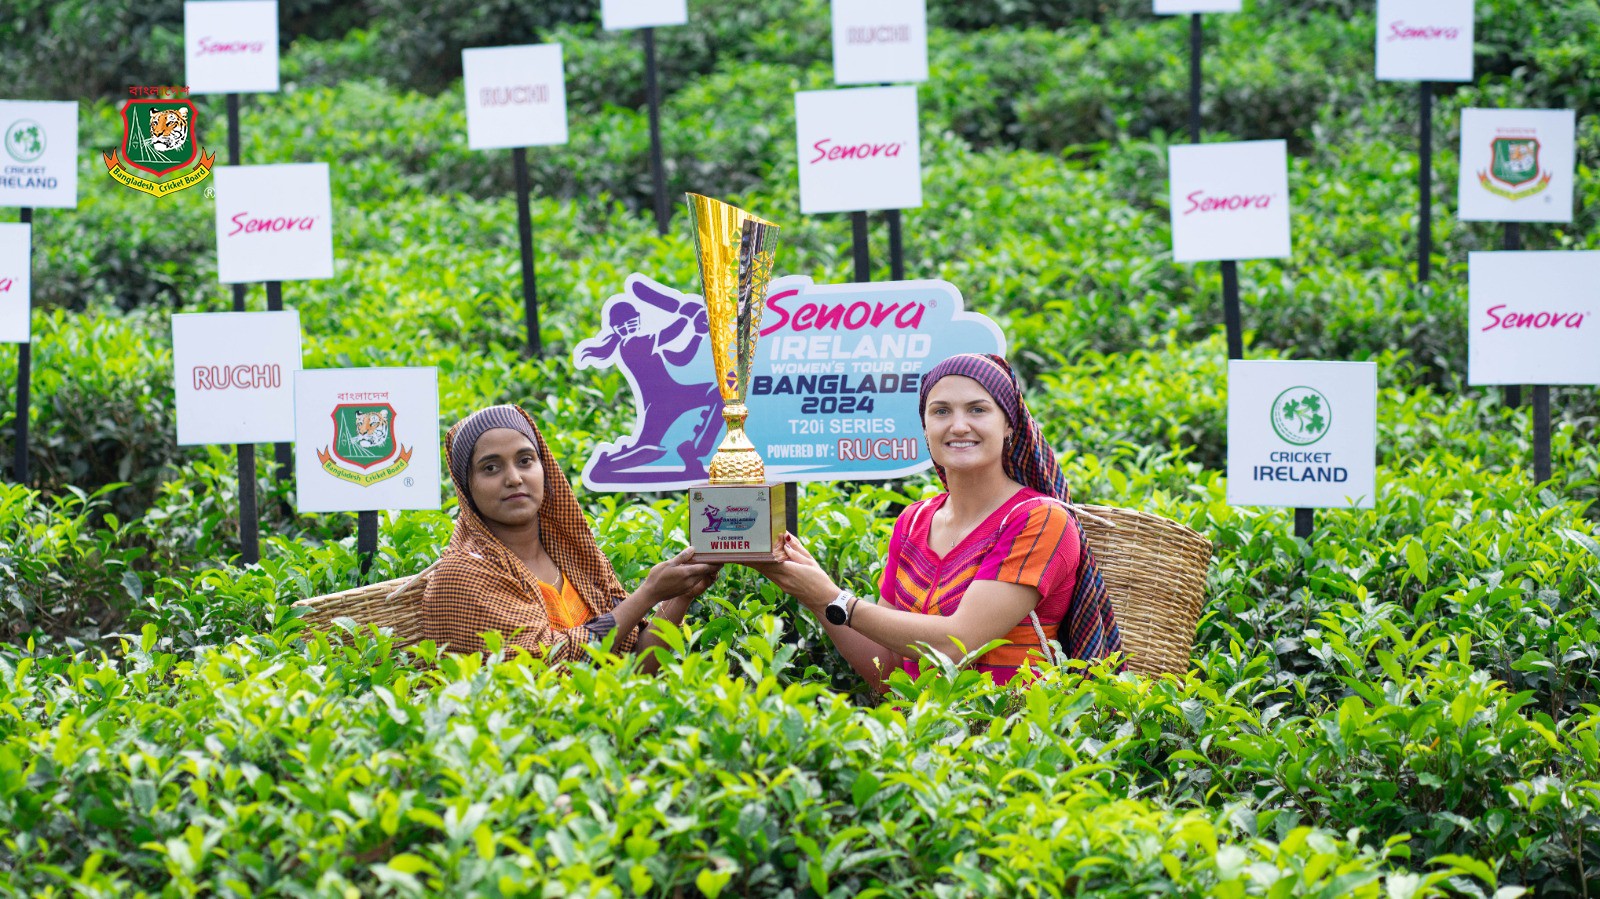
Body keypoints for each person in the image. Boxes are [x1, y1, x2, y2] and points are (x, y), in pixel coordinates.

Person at [753, 354, 1123, 688]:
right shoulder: (913, 521)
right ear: (925, 427)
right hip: (916, 741)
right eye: (941, 411)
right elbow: (888, 670)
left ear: (1010, 424)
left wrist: (837, 599)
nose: (958, 425)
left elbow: (957, 643)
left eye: (977, 410)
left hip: (1009, 744)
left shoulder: (1040, 520)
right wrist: (815, 595)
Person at [421, 404, 720, 664]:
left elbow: (636, 663)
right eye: (490, 468)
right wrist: (647, 594)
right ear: (467, 487)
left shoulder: (575, 555)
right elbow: (544, 665)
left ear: (543, 468)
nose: (514, 478)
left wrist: (680, 597)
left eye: (525, 461)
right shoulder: (463, 572)